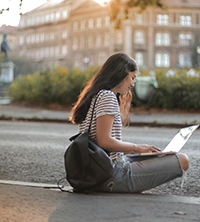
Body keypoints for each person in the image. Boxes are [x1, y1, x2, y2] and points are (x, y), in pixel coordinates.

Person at [69, 52, 189, 193]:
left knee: (153, 156)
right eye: (132, 78)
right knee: (182, 160)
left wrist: (138, 149)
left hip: (97, 171)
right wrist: (136, 148)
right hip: (110, 175)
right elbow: (104, 141)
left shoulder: (94, 95)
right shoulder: (107, 96)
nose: (132, 84)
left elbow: (100, 142)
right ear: (121, 74)